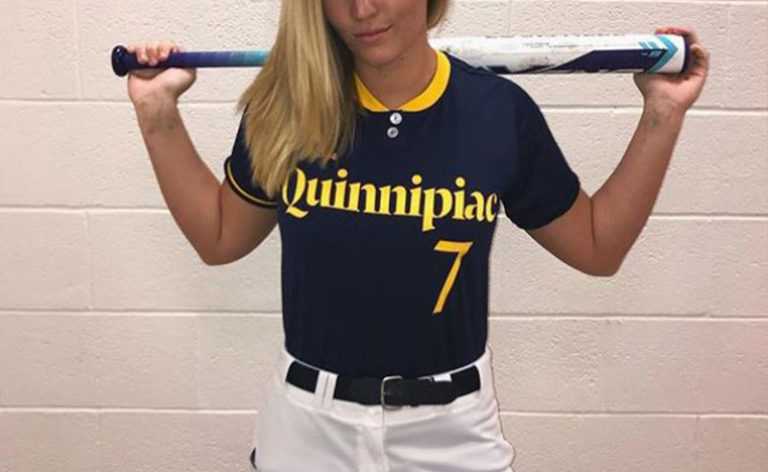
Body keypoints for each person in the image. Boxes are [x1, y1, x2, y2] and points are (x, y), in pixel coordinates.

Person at [125, 0, 709, 470]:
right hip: (308, 426)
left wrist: (663, 112)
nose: (362, 9)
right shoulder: (287, 109)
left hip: (451, 429)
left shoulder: (498, 113)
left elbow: (598, 247)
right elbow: (220, 238)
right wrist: (157, 112)